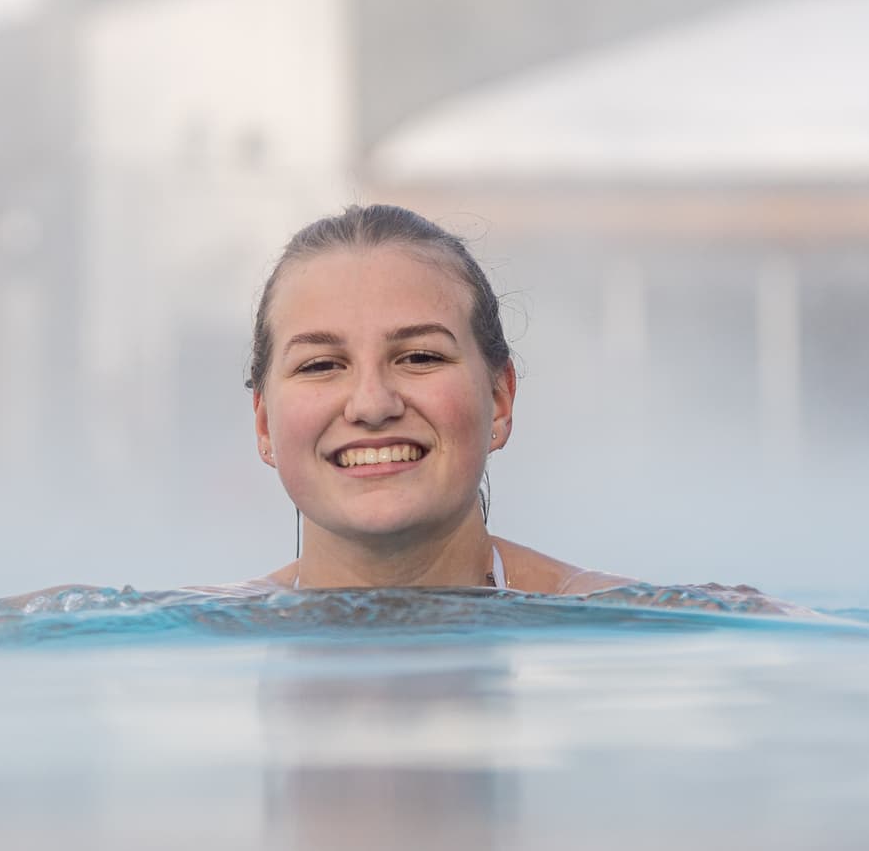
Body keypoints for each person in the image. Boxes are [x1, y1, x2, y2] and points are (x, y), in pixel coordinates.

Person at [238, 203, 698, 595]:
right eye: (320, 365)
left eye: (419, 356)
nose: (372, 405)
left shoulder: (639, 624)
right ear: (264, 425)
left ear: (499, 398)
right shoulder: (185, 633)